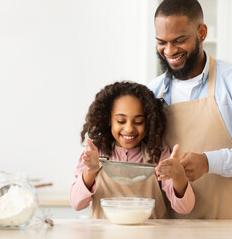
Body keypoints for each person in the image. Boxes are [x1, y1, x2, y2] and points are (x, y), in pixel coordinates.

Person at [148, 0, 232, 219]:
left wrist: (209, 162)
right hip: (178, 229)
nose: (170, 50)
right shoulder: (152, 93)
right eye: (161, 42)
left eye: (179, 40)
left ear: (202, 32)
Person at [69, 81, 195, 219]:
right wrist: (90, 171)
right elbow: (76, 204)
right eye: (121, 121)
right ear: (109, 120)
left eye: (138, 122)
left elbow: (185, 208)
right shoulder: (95, 152)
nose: (129, 129)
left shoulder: (158, 155)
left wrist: (178, 176)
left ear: (148, 122)